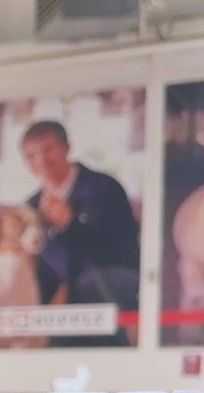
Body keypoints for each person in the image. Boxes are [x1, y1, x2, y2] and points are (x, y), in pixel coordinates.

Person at [19, 119, 139, 346]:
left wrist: (70, 224)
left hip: (109, 280)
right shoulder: (31, 206)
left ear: (66, 148)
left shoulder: (104, 188)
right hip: (58, 293)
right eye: (31, 156)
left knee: (88, 284)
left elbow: (118, 251)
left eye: (48, 150)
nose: (41, 161)